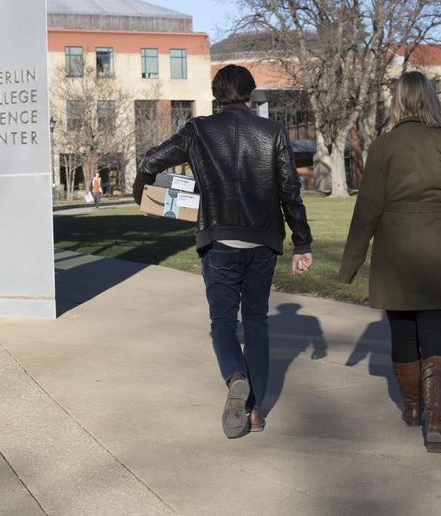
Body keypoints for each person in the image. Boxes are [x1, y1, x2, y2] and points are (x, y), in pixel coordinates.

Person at [133, 64, 314, 439]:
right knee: (258, 322)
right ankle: (257, 409)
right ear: (250, 95)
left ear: (217, 96)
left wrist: (145, 194)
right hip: (262, 243)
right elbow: (289, 193)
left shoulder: (198, 130)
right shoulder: (274, 131)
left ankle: (235, 377)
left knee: (222, 323)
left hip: (219, 243)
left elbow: (151, 161)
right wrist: (302, 243)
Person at [338, 71, 441, 453]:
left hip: (393, 255)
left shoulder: (382, 147)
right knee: (435, 335)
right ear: (431, 100)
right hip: (438, 253)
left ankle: (413, 408)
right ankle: (437, 421)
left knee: (403, 335)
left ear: (398, 102)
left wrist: (350, 265)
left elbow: (367, 212)